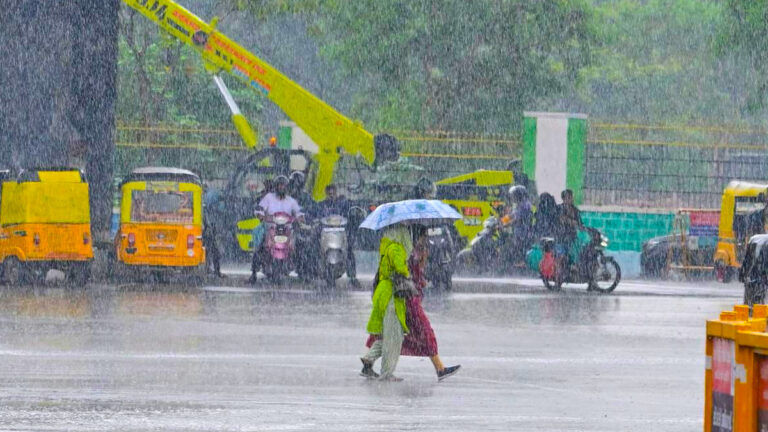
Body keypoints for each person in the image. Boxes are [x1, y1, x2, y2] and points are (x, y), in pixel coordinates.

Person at [365, 226, 461, 381]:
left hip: (405, 297)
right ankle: (440, 368)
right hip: (408, 298)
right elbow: (409, 272)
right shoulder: (407, 251)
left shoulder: (402, 248)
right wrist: (422, 257)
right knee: (424, 332)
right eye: (424, 236)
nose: (426, 239)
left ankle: (368, 361)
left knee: (394, 335)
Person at [360, 225, 415, 381]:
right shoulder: (396, 248)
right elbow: (400, 269)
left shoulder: (386, 247)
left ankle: (369, 358)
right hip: (391, 294)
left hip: (382, 292)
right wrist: (406, 269)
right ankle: (387, 373)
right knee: (394, 337)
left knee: (387, 335)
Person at [249, 175, 304, 283]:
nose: (281, 187)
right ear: (276, 186)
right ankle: (253, 273)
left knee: (301, 247)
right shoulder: (268, 198)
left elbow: (299, 211)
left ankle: (303, 273)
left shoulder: (291, 201)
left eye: (283, 185)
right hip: (271, 228)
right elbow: (260, 208)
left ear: (287, 187)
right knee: (260, 247)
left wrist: (300, 217)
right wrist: (261, 215)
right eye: (279, 185)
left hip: (287, 230)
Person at [314, 184, 360, 287]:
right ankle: (311, 272)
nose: (331, 195)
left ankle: (353, 277)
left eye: (333, 192)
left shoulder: (343, 204)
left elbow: (350, 214)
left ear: (336, 192)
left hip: (341, 233)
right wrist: (314, 220)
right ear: (326, 194)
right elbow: (315, 215)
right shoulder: (321, 205)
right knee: (313, 246)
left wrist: (353, 217)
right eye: (329, 193)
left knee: (349, 250)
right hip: (325, 233)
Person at [507, 185, 534, 264]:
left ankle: (521, 263)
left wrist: (506, 224)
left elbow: (517, 219)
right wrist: (501, 220)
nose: (512, 198)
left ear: (519, 195)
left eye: (514, 195)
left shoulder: (525, 205)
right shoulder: (519, 204)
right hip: (519, 232)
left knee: (520, 248)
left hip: (523, 233)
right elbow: (511, 215)